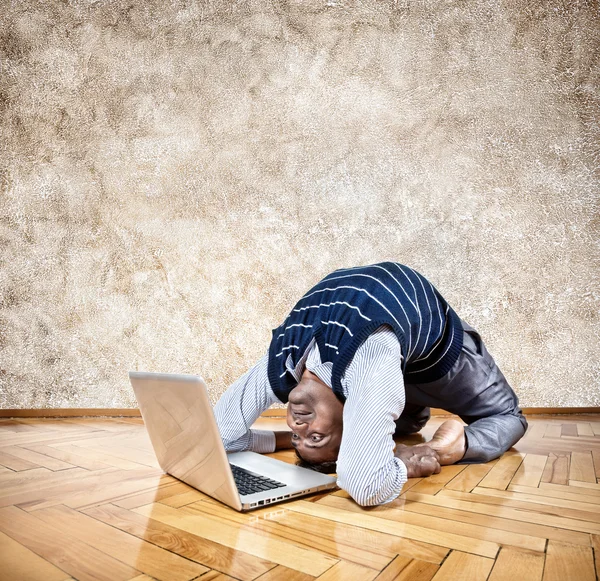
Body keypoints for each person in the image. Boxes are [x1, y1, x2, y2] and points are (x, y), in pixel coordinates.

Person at [214, 262, 527, 506]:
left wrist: (429, 451)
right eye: (315, 436)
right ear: (351, 420)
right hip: (436, 365)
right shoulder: (365, 363)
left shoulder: (290, 354)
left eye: (296, 437)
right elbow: (367, 482)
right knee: (418, 422)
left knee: (500, 419)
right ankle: (443, 439)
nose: (297, 426)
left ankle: (428, 429)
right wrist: (415, 455)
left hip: (435, 353)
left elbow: (214, 437)